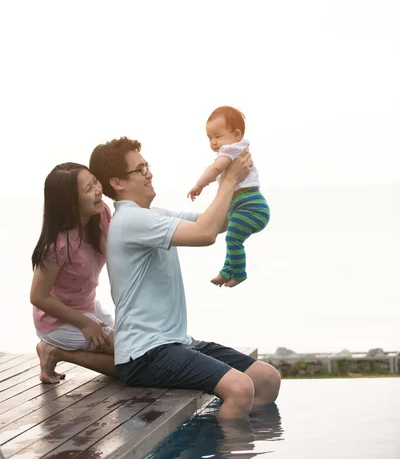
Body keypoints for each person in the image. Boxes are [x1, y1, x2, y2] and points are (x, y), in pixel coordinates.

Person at [89, 137, 280, 420]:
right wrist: (227, 181)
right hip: (145, 354)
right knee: (239, 388)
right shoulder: (131, 221)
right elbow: (204, 235)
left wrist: (240, 183)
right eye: (140, 169)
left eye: (147, 166)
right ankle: (229, 444)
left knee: (266, 378)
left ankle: (227, 434)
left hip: (175, 343)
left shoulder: (152, 215)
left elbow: (216, 223)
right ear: (117, 183)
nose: (149, 173)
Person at [30, 162, 116, 383]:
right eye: (88, 189)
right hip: (58, 320)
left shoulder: (102, 214)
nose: (98, 190)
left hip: (88, 307)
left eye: (95, 181)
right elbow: (38, 297)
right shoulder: (58, 245)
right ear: (71, 203)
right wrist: (85, 323)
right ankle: (55, 351)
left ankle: (54, 351)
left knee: (139, 349)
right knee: (131, 359)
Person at [187, 106, 270, 287]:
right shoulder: (237, 149)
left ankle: (239, 273)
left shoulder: (231, 150)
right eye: (210, 138)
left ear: (237, 135)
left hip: (250, 206)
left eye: (218, 136)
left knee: (232, 239)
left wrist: (199, 185)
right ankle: (226, 272)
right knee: (233, 238)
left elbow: (215, 169)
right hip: (245, 205)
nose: (213, 142)